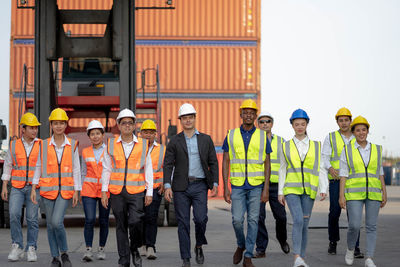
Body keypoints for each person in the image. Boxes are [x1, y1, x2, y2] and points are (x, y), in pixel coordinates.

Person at [163, 103, 219, 267]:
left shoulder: (206, 139)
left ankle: (199, 245)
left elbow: (213, 162)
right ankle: (185, 258)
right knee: (183, 223)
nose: (188, 121)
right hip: (181, 187)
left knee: (201, 219)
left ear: (195, 118)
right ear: (181, 120)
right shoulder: (174, 141)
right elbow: (168, 164)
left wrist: (214, 182)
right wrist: (167, 185)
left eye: (190, 117)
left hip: (200, 185)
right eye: (184, 118)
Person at [100, 108, 153, 267]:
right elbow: (106, 168)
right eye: (124, 123)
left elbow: (148, 169)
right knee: (121, 225)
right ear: (118, 125)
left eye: (130, 123)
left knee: (136, 221)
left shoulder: (143, 144)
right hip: (117, 192)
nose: (127, 126)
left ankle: (135, 248)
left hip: (137, 191)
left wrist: (149, 192)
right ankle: (124, 260)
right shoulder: (110, 144)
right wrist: (104, 191)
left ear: (135, 125)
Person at [222, 99, 271, 267]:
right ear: (241, 114)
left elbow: (267, 163)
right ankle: (241, 245)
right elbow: (226, 160)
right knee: (236, 220)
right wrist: (225, 187)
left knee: (253, 220)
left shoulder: (263, 136)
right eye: (245, 112)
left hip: (256, 186)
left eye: (252, 112)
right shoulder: (231, 134)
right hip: (237, 185)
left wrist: (266, 189)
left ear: (255, 116)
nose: (248, 115)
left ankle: (248, 255)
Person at [30, 108, 81, 267]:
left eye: (61, 123)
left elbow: (76, 169)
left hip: (65, 190)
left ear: (66, 124)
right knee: (51, 225)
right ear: (51, 124)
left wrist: (76, 190)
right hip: (47, 189)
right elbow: (38, 166)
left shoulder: (72, 145)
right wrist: (33, 187)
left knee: (56, 222)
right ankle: (55, 257)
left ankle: (64, 253)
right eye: (55, 123)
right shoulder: (43, 145)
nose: (58, 126)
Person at [278, 109, 328, 267]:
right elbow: (282, 169)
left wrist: (323, 187)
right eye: (296, 124)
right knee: (298, 220)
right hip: (291, 189)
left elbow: (320, 168)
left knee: (305, 225)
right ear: (292, 125)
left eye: (302, 124)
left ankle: (301, 259)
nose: (300, 126)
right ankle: (296, 256)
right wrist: (280, 192)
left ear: (307, 124)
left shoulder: (316, 145)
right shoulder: (285, 146)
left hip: (309, 190)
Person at [339, 116, 387, 267]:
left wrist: (384, 192)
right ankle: (350, 248)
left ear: (368, 131)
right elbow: (343, 174)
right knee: (354, 225)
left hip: (373, 192)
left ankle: (369, 258)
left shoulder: (377, 149)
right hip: (354, 193)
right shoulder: (347, 150)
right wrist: (341, 195)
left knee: (372, 226)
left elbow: (380, 172)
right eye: (358, 130)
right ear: (353, 132)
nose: (361, 133)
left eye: (364, 130)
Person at [322, 108, 363, 257]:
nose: (344, 123)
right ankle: (333, 241)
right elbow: (325, 156)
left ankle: (355, 246)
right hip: (336, 180)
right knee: (334, 212)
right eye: (341, 120)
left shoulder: (357, 137)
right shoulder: (331, 137)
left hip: (353, 182)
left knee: (354, 215)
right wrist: (330, 167)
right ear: (337, 122)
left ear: (350, 121)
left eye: (346, 120)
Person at [1, 113, 41, 262]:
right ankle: (17, 245)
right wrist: (5, 186)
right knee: (14, 215)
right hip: (17, 187)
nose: (34, 130)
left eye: (36, 128)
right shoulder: (13, 145)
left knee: (32, 219)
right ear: (22, 129)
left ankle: (31, 248)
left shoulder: (41, 145)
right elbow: (8, 165)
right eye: (31, 128)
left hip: (34, 188)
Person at [254, 111, 290, 258]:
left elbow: (287, 164)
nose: (264, 124)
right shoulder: (253, 141)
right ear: (258, 124)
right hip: (259, 183)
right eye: (261, 122)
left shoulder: (281, 141)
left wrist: (286, 186)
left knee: (281, 217)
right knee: (258, 217)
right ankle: (261, 248)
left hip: (277, 185)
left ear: (272, 124)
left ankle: (282, 239)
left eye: (267, 121)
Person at [81, 120, 110, 261]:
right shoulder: (85, 152)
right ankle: (88, 249)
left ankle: (101, 249)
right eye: (92, 134)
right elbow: (82, 172)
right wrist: (80, 190)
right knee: (90, 219)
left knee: (104, 221)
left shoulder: (109, 151)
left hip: (105, 191)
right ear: (89, 136)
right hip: (89, 190)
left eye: (98, 133)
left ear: (103, 135)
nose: (95, 136)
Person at [139, 119, 165, 259]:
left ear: (155, 134)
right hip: (137, 187)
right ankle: (142, 244)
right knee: (139, 217)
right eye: (145, 132)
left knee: (151, 217)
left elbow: (167, 167)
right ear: (140, 133)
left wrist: (165, 183)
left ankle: (150, 246)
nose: (148, 135)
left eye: (151, 132)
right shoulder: (136, 147)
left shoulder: (162, 149)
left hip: (155, 188)